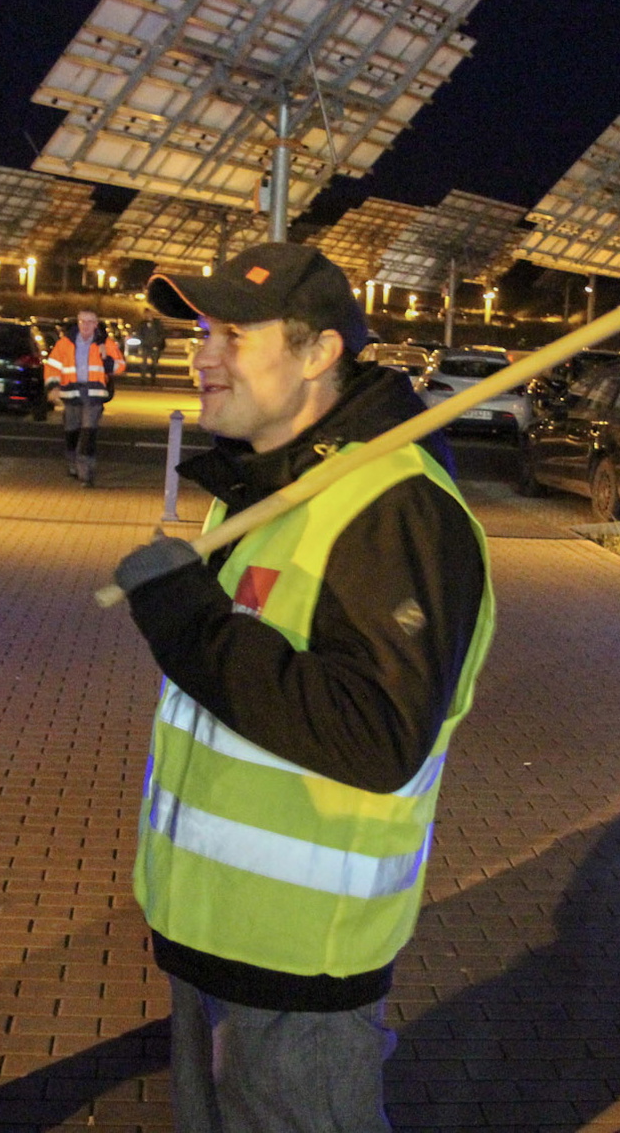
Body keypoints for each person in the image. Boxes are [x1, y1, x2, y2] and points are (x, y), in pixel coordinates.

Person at [110, 242, 495, 1132]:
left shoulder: (393, 506)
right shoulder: (269, 482)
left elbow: (375, 734)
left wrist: (188, 622)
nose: (202, 353)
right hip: (222, 940)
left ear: (320, 353)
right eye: (202, 331)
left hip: (302, 970)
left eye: (232, 334)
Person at [42, 307, 124, 485]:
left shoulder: (105, 343)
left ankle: (86, 473)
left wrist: (106, 358)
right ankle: (72, 463)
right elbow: (52, 367)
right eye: (82, 321)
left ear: (96, 324)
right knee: (72, 431)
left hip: (94, 394)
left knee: (88, 433)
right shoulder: (65, 343)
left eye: (90, 322)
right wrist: (52, 387)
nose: (86, 325)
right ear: (78, 323)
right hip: (70, 393)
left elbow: (119, 367)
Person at [132, 312, 166, 384]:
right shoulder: (142, 324)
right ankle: (143, 378)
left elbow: (162, 334)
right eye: (147, 315)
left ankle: (153, 378)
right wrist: (142, 342)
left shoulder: (157, 324)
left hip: (154, 346)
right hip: (145, 346)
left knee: (154, 363)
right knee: (144, 363)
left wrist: (157, 343)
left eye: (150, 314)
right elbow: (139, 333)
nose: (148, 316)